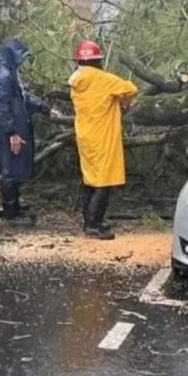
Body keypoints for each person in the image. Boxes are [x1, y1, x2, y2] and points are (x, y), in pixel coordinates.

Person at [69, 41, 138, 240]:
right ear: (98, 61)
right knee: (103, 182)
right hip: (103, 137)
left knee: (90, 179)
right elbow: (131, 89)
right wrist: (123, 102)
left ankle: (91, 220)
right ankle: (93, 225)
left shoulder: (75, 82)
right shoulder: (103, 79)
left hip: (85, 136)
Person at [0, 38, 57, 227]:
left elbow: (23, 100)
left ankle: (16, 207)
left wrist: (45, 109)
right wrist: (12, 134)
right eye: (21, 56)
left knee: (18, 168)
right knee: (10, 171)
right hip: (9, 133)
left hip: (17, 129)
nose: (23, 60)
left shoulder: (11, 74)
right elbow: (1, 108)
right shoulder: (4, 77)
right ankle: (11, 214)